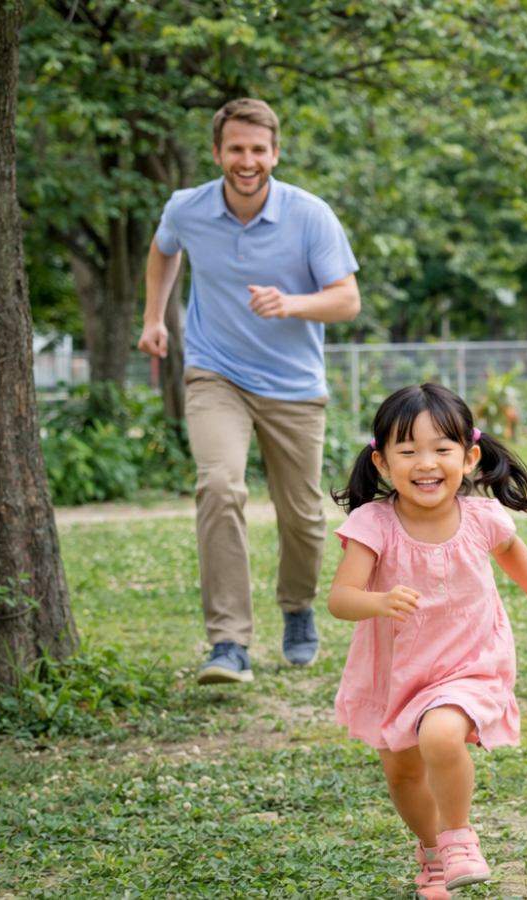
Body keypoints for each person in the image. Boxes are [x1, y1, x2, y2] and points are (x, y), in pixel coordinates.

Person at [139, 97, 361, 683]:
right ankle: (229, 642)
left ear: (275, 154)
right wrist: (153, 318)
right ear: (216, 153)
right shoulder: (187, 208)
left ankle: (297, 606)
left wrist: (291, 303)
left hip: (293, 385)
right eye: (235, 148)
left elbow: (347, 299)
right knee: (218, 485)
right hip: (216, 373)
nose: (247, 160)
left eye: (258, 149)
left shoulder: (310, 215)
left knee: (303, 516)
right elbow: (164, 251)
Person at [328, 383, 527, 900]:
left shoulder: (482, 517)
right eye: (408, 450)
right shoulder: (373, 524)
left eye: (441, 448)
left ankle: (459, 838)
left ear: (469, 456)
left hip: (469, 659)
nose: (425, 462)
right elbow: (341, 598)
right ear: (382, 463)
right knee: (403, 774)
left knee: (440, 737)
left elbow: (513, 554)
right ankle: (434, 851)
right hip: (394, 669)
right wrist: (378, 601)